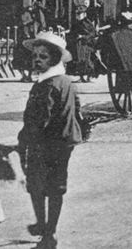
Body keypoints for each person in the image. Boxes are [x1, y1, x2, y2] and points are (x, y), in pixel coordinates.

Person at [18, 31, 84, 249]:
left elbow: (40, 120)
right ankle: (47, 228)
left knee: (37, 185)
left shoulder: (45, 86)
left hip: (45, 144)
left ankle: (48, 234)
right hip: (65, 143)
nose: (37, 59)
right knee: (56, 186)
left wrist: (23, 140)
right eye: (35, 55)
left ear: (54, 59)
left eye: (43, 56)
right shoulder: (67, 81)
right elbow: (77, 108)